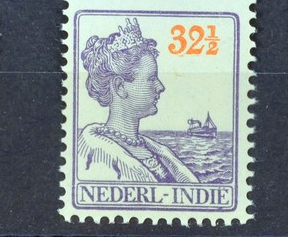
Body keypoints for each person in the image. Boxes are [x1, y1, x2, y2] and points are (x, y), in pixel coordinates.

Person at [75, 18, 198, 183]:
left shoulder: (155, 150)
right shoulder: (94, 154)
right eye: (151, 78)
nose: (160, 87)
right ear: (119, 86)